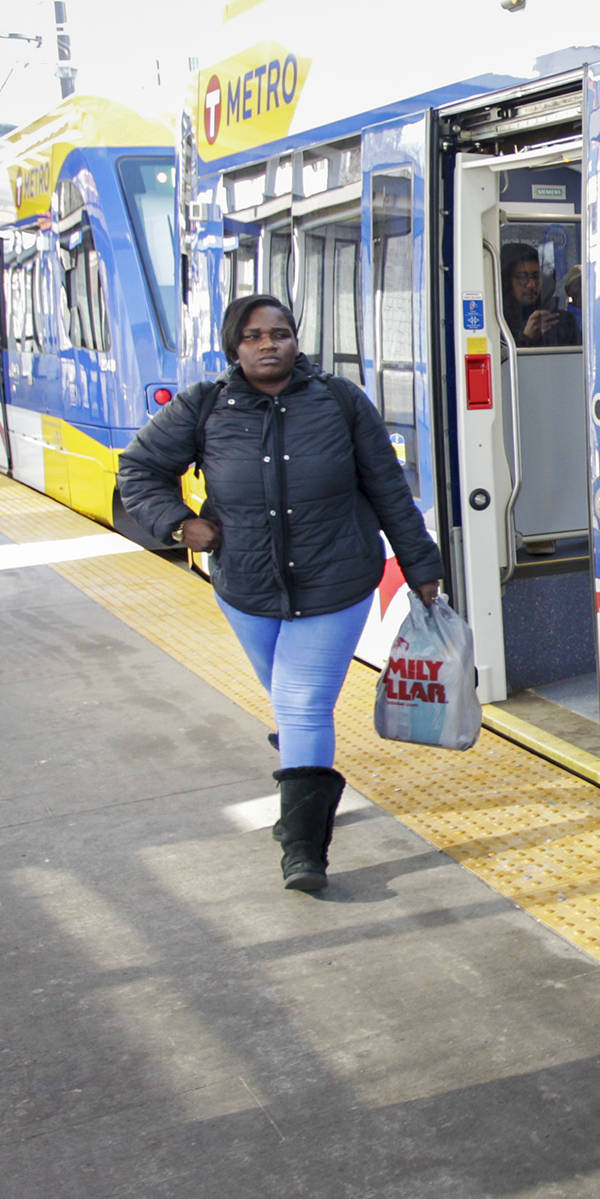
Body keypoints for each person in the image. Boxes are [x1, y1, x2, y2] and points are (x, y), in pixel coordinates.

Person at [118, 295, 445, 893]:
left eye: (281, 333)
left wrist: (422, 567)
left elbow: (388, 489)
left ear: (297, 341)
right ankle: (301, 794)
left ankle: (303, 850)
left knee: (300, 703)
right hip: (246, 586)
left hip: (336, 581)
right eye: (253, 336)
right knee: (286, 699)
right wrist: (178, 522)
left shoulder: (341, 402)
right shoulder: (204, 405)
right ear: (233, 347)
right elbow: (138, 470)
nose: (268, 344)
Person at [501, 243, 565, 347]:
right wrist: (526, 338)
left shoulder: (562, 321)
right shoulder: (498, 321)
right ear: (507, 281)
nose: (531, 284)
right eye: (522, 277)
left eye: (536, 276)